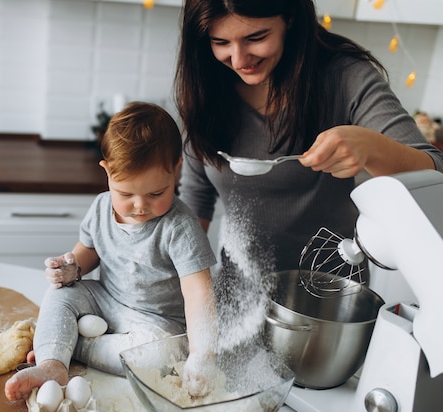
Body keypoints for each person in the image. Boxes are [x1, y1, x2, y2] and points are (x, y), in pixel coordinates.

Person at [174, 0, 443, 348]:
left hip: (329, 308)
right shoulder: (206, 85)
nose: (238, 60)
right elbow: (196, 200)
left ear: (289, 18)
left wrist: (370, 147)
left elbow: (434, 172)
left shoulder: (345, 76)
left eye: (256, 37)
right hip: (236, 301)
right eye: (220, 42)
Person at [4, 101, 217, 401]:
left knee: (162, 356)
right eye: (126, 194)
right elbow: (89, 251)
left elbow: (199, 292)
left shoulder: (180, 227)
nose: (140, 205)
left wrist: (202, 355)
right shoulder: (101, 207)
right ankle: (52, 365)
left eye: (156, 193)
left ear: (176, 170)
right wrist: (73, 268)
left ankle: (68, 344)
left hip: (156, 322)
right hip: (105, 298)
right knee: (62, 294)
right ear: (107, 171)